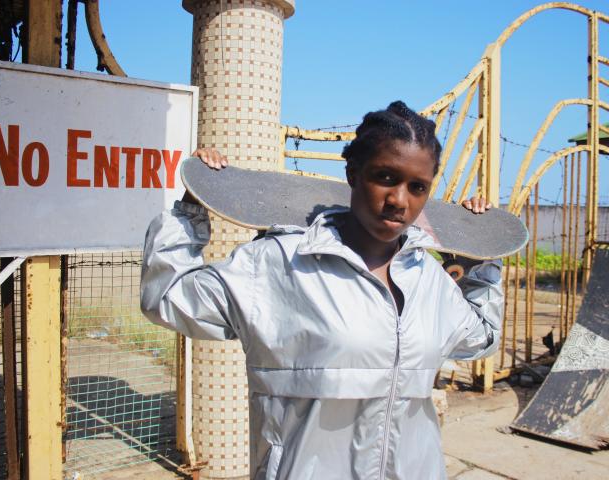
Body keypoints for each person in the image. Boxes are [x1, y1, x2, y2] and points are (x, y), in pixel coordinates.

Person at [140, 100, 502, 479]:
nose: (399, 200)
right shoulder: (280, 263)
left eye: (417, 187)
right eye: (386, 177)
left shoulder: (428, 278)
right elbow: (166, 298)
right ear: (353, 173)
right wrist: (193, 208)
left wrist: (481, 255)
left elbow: (482, 337)